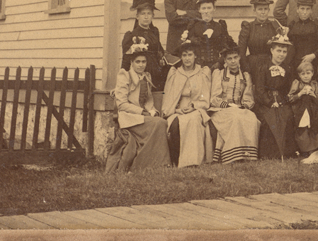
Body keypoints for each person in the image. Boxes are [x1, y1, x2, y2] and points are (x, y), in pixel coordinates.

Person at [107, 39, 171, 172]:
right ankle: (146, 165)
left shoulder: (146, 76)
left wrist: (152, 110)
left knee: (161, 121)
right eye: (138, 62)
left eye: (143, 62)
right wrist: (142, 112)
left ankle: (155, 163)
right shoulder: (124, 76)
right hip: (129, 117)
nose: (141, 65)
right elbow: (122, 104)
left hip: (142, 116)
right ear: (131, 62)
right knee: (160, 124)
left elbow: (148, 100)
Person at [162, 34, 214, 167]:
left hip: (197, 109)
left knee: (194, 121)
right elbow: (168, 98)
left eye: (190, 55)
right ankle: (177, 160)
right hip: (177, 110)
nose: (187, 58)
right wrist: (176, 110)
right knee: (175, 125)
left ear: (195, 56)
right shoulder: (175, 73)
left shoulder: (203, 72)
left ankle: (193, 160)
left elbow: (205, 98)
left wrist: (194, 106)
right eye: (184, 55)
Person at [251, 31, 298, 159]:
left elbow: (289, 89)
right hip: (265, 101)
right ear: (272, 50)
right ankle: (270, 154)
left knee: (287, 115)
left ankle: (287, 152)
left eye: (284, 51)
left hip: (282, 100)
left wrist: (284, 101)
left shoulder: (287, 68)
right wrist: (270, 102)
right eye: (278, 51)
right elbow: (259, 90)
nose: (281, 54)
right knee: (269, 118)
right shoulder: (263, 67)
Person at [208, 47, 259, 163]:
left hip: (239, 108)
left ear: (239, 58)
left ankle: (247, 154)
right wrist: (228, 105)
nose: (233, 61)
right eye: (229, 58)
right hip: (220, 110)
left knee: (252, 118)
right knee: (235, 117)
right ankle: (232, 155)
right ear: (225, 60)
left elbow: (249, 98)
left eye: (235, 57)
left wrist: (244, 106)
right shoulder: (219, 74)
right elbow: (214, 98)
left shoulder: (245, 76)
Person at [121, 0, 165, 87]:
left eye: (149, 13)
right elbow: (126, 61)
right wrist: (122, 82)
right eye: (143, 14)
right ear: (137, 16)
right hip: (141, 74)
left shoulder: (155, 32)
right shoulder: (131, 35)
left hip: (157, 73)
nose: (146, 17)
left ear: (153, 16)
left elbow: (160, 51)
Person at [238, 0, 284, 76]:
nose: (263, 12)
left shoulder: (274, 26)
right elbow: (241, 52)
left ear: (269, 10)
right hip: (253, 66)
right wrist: (246, 70)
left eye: (265, 9)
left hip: (271, 66)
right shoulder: (248, 27)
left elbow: (281, 49)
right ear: (254, 10)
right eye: (260, 9)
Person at [287, 58, 318, 156]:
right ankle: (304, 149)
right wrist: (300, 93)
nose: (306, 76)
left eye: (308, 73)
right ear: (299, 75)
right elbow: (290, 98)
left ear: (312, 73)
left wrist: (313, 95)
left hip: (313, 109)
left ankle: (315, 148)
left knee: (314, 125)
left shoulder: (314, 84)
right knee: (303, 127)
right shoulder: (297, 83)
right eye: (303, 74)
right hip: (300, 108)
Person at [188, 0, 231, 69]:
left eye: (209, 8)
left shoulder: (219, 26)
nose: (206, 11)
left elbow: (225, 48)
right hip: (198, 67)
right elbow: (188, 49)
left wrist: (220, 62)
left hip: (216, 66)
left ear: (214, 8)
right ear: (199, 10)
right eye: (203, 8)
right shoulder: (194, 27)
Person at [286, 0, 318, 68]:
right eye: (302, 8)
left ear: (311, 10)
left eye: (307, 9)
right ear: (297, 10)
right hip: (295, 63)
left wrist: (313, 55)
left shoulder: (316, 26)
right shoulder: (292, 25)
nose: (305, 12)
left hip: (312, 62)